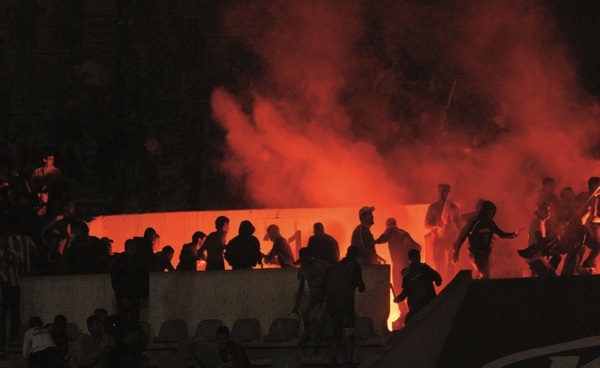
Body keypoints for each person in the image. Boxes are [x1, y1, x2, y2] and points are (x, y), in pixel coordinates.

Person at [452, 200, 519, 279]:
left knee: (486, 275)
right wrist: (455, 252)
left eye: (493, 213)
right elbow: (462, 237)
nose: (491, 215)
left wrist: (513, 235)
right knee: (483, 274)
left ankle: (478, 287)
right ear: (484, 212)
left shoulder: (490, 223)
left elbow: (500, 234)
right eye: (489, 212)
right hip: (475, 253)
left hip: (485, 253)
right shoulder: (474, 222)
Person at [374, 217, 421, 327]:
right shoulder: (404, 233)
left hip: (398, 264)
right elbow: (417, 247)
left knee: (398, 288)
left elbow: (384, 237)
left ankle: (404, 312)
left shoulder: (391, 230)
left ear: (388, 225)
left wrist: (375, 241)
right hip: (408, 264)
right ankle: (410, 310)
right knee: (408, 287)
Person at [326, 246, 365, 367]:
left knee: (336, 330)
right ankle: (349, 361)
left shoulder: (335, 266)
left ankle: (332, 359)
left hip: (332, 302)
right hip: (346, 301)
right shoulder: (354, 266)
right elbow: (360, 285)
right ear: (357, 255)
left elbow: (326, 283)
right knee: (349, 330)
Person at [292, 247, 331, 354]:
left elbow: (332, 273)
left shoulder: (321, 264)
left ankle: (317, 343)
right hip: (314, 293)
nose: (304, 261)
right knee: (305, 312)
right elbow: (301, 287)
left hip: (325, 294)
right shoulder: (302, 269)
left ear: (310, 257)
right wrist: (297, 304)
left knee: (320, 318)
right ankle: (308, 335)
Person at [394, 249, 442, 325]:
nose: (417, 258)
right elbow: (406, 289)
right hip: (417, 303)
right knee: (410, 322)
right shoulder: (409, 273)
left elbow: (437, 277)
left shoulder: (424, 268)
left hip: (427, 300)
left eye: (418, 256)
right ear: (410, 259)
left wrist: (438, 280)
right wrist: (400, 298)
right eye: (415, 256)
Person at [424, 184, 461, 281]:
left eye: (448, 191)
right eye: (444, 191)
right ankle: (439, 283)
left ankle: (450, 282)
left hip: (451, 239)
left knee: (451, 263)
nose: (446, 193)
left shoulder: (454, 207)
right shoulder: (433, 207)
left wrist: (460, 236)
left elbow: (458, 223)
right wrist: (437, 224)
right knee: (438, 263)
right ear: (439, 192)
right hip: (437, 239)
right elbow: (426, 224)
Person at [110, 239, 149, 327]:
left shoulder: (139, 262)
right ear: (126, 248)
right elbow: (116, 282)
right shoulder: (119, 262)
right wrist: (122, 296)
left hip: (135, 296)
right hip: (126, 296)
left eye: (135, 249)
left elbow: (145, 279)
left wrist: (145, 295)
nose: (134, 251)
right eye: (132, 249)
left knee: (133, 322)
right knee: (123, 322)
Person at [517, 202, 561, 277]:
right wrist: (553, 238)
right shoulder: (537, 222)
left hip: (537, 257)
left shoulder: (541, 223)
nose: (548, 212)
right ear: (539, 211)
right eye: (546, 210)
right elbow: (540, 240)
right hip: (535, 258)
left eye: (549, 210)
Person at [0, 235, 22, 356]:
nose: (6, 242)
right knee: (3, 316)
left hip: (15, 286)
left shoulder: (13, 252)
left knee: (15, 312)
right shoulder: (9, 253)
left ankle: (14, 335)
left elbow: (19, 262)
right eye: (3, 239)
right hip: (4, 288)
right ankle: (3, 343)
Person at [576, 176, 600, 271]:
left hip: (577, 228)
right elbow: (593, 218)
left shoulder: (582, 195)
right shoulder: (593, 198)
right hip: (580, 228)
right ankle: (585, 264)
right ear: (594, 186)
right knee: (597, 246)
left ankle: (579, 267)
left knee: (580, 249)